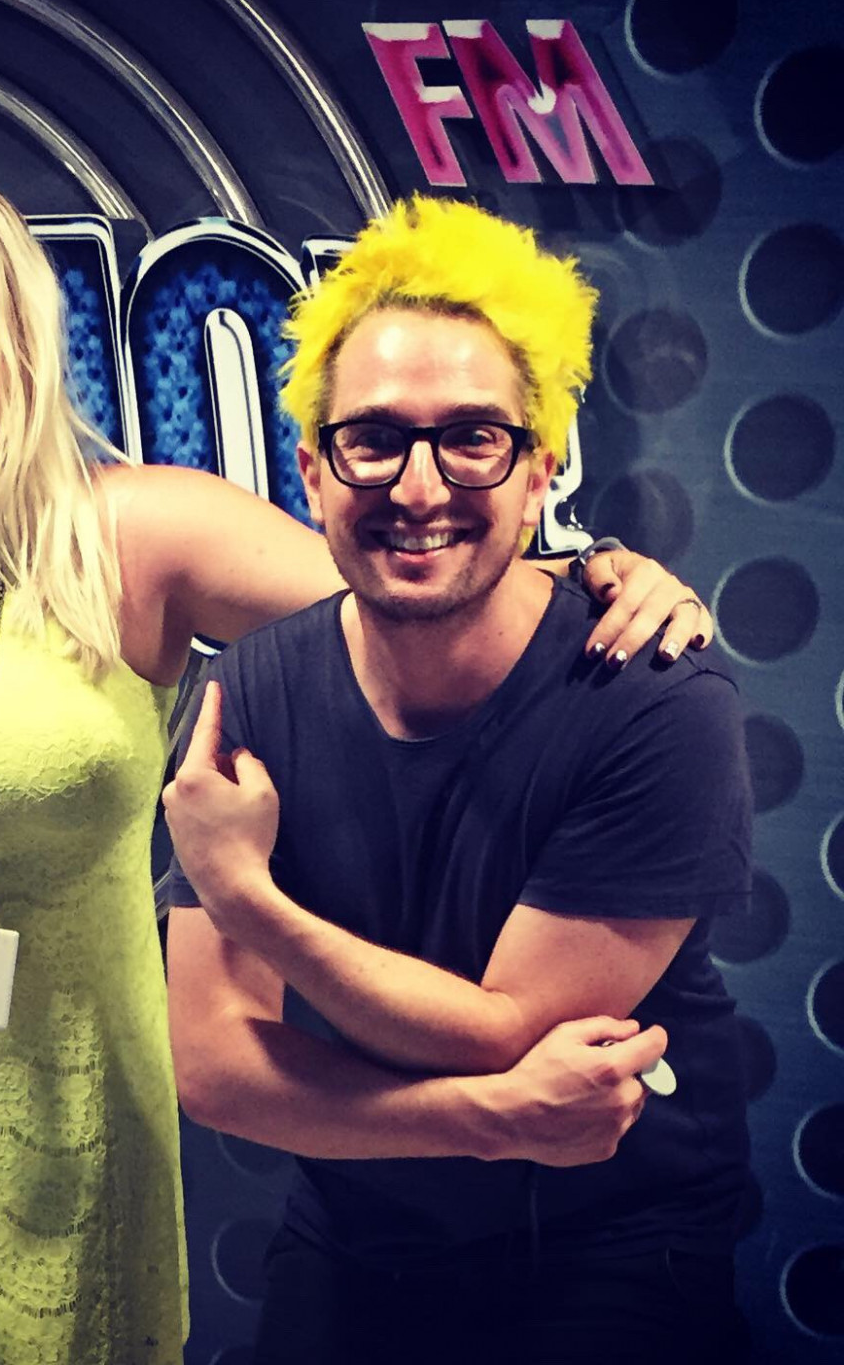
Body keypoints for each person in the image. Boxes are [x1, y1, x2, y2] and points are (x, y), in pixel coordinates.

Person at [0, 167, 716, 1365]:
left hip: (67, 1117)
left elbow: (410, 564)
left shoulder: (135, 535)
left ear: (19, 346)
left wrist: (600, 570)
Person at [163, 195, 752, 1365]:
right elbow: (218, 1066)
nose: (418, 486)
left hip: (607, 1238)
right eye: (372, 438)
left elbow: (504, 1034)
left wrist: (247, 900)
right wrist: (482, 1121)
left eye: (471, 437)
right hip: (355, 1230)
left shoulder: (652, 696)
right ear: (312, 472)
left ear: (539, 473)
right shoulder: (251, 691)